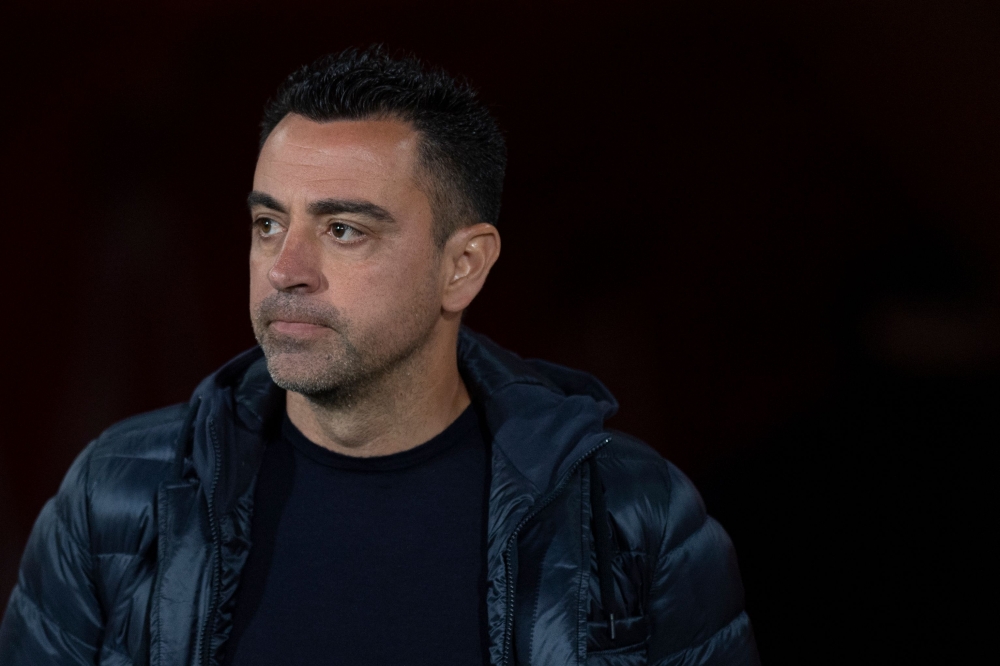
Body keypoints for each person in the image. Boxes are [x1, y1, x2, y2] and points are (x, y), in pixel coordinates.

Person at [0, 47, 758, 665]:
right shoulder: (116, 500)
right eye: (268, 223)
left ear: (462, 266)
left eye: (343, 230)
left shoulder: (629, 515)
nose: (286, 268)